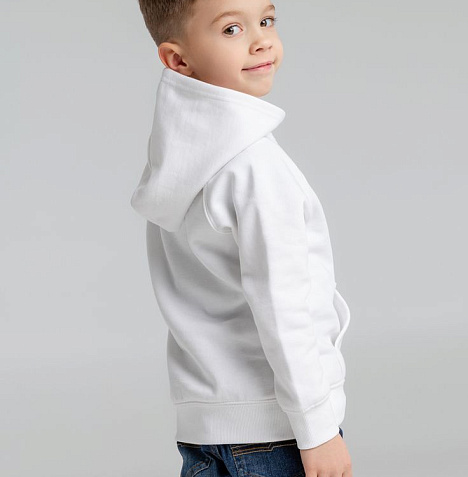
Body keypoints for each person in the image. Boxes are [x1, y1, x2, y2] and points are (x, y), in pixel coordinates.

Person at [130, 0, 353, 475]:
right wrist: (317, 428)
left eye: (266, 20)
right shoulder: (254, 167)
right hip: (277, 430)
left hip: (205, 426)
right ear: (177, 59)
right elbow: (285, 305)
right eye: (232, 29)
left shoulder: (176, 159)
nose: (261, 40)